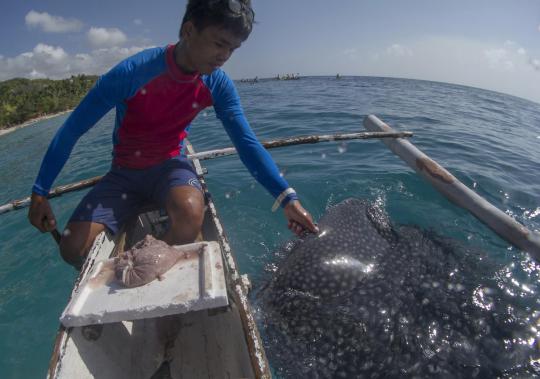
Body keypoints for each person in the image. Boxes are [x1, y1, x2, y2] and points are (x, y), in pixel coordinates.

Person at [28, 0, 318, 268]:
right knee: (71, 248)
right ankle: (139, 261)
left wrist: (288, 200)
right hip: (123, 173)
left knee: (191, 215)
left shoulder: (217, 84)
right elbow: (72, 131)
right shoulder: (131, 72)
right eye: (219, 44)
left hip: (170, 167)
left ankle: (140, 265)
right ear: (189, 30)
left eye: (232, 49)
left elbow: (245, 142)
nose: (224, 57)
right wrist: (40, 192)